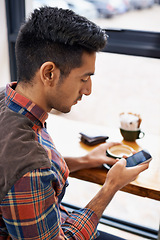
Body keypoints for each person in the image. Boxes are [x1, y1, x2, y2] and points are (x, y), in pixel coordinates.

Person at [0, 6, 149, 240]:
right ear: (48, 73)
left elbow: (23, 172)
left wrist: (85, 160)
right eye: (84, 78)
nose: (88, 90)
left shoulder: (8, 100)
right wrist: (110, 187)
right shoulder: (29, 163)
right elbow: (29, 172)